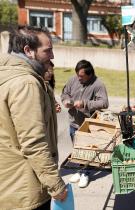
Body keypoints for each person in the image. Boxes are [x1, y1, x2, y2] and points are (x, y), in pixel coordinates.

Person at [0, 25, 67, 210]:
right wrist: (56, 185)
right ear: (28, 51)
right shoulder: (26, 83)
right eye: (48, 50)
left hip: (9, 187)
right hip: (25, 190)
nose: (52, 56)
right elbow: (33, 142)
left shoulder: (7, 76)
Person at [61, 59, 109, 188]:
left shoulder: (98, 84)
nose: (78, 78)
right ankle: (80, 170)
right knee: (77, 149)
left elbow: (104, 103)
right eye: (77, 75)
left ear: (90, 74)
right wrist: (65, 100)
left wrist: (85, 104)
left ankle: (85, 173)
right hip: (73, 122)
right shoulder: (73, 79)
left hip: (89, 124)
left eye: (81, 76)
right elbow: (65, 93)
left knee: (87, 150)